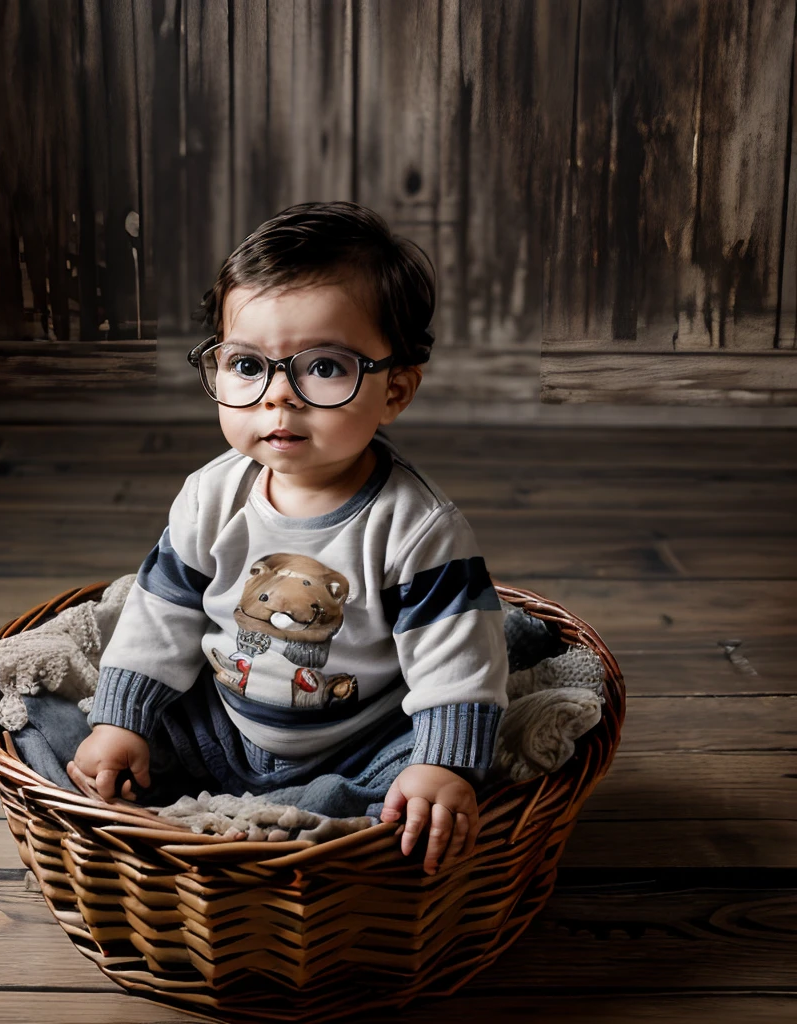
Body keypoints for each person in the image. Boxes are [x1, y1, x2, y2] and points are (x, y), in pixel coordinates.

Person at [69, 201, 508, 875]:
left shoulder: (415, 527)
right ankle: (173, 788)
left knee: (426, 793)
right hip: (225, 721)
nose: (279, 396)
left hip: (360, 737)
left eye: (324, 367)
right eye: (247, 366)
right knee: (63, 729)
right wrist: (119, 722)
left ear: (395, 389)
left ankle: (311, 825)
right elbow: (161, 617)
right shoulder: (210, 496)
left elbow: (457, 666)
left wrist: (444, 765)